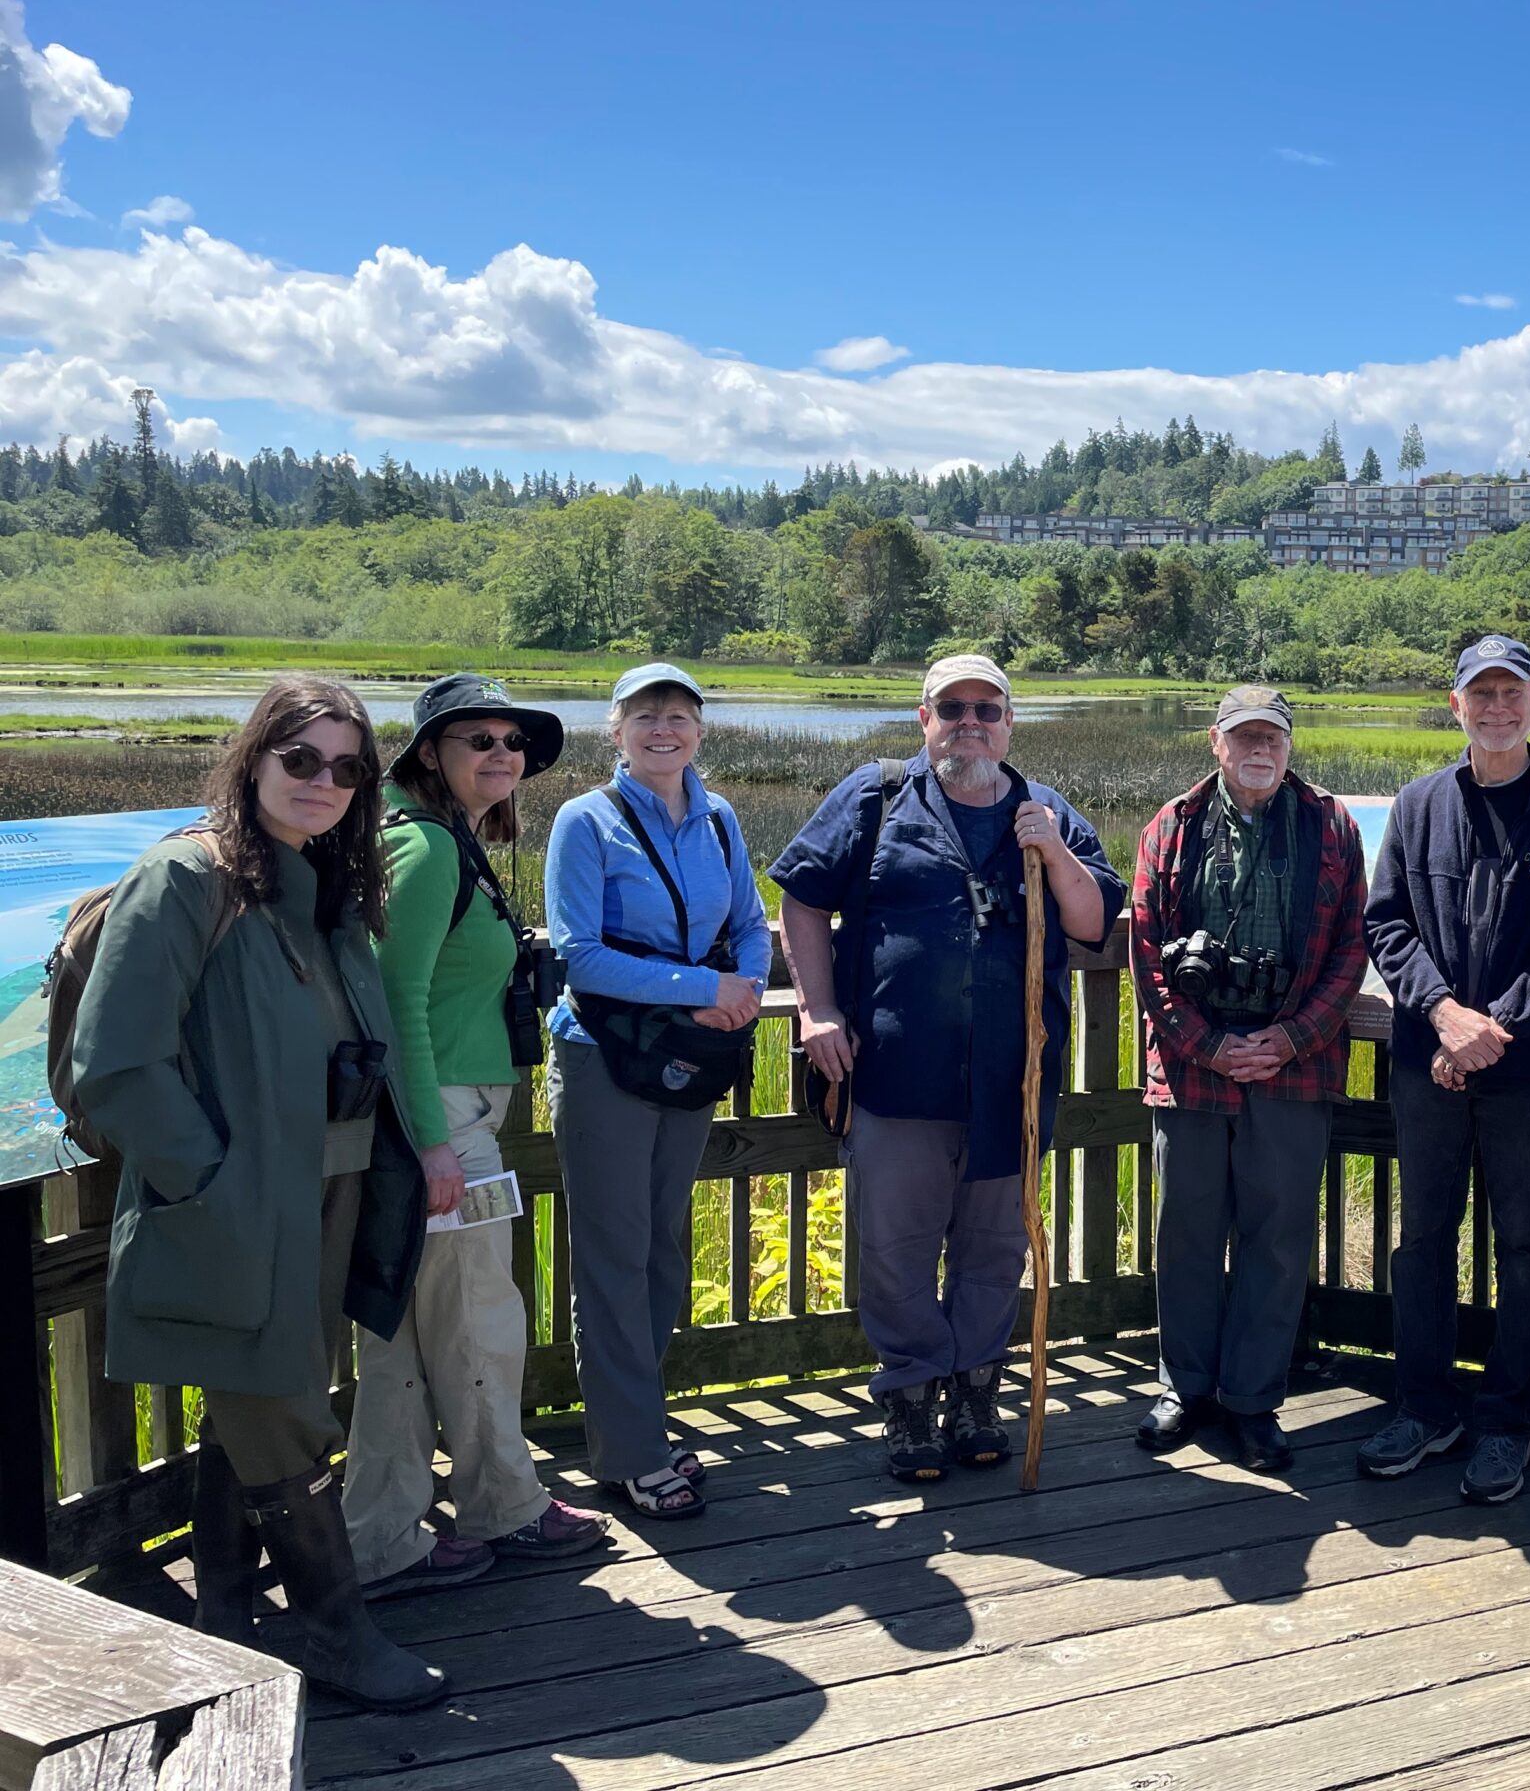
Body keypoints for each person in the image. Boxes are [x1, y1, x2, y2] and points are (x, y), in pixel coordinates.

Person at [71, 677, 445, 1709]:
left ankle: (226, 1620)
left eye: (346, 767)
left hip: (325, 1203)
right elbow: (116, 1065)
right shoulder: (185, 880)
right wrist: (213, 1182)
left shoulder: (323, 887)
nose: (323, 782)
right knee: (285, 1416)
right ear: (253, 761)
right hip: (241, 1209)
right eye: (301, 759)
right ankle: (334, 1631)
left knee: (258, 1404)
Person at [772, 654, 1124, 1484]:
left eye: (987, 709)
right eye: (952, 708)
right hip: (897, 1073)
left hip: (1015, 1079)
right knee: (894, 1247)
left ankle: (975, 1390)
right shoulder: (876, 794)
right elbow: (800, 897)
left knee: (994, 1248)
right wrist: (819, 1010)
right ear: (923, 717)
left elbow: (1093, 919)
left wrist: (1053, 851)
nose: (971, 723)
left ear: (1010, 723)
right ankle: (910, 1394)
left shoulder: (1048, 810)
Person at [344, 674, 607, 1595]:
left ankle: (383, 1537)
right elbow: (397, 1004)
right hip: (444, 1116)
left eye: (512, 741)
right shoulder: (423, 852)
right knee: (480, 1325)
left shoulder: (440, 840)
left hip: (439, 1114)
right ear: (429, 754)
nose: (502, 754)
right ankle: (506, 1508)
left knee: (408, 1335)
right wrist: (432, 1143)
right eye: (478, 739)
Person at [1359, 635, 1530, 1505]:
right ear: (1456, 703)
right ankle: (1425, 1407)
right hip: (1423, 1060)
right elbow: (1387, 926)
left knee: (1524, 1246)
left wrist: (1492, 1029)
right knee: (1422, 1240)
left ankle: (1509, 1419)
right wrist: (1442, 1014)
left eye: (1514, 693)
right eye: (1481, 693)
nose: (1497, 707)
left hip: (1528, 1067)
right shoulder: (1419, 802)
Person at [544, 662, 770, 1519]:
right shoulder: (585, 820)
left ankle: (634, 1427)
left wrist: (742, 992)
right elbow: (579, 955)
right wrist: (703, 991)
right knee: (613, 1257)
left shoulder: (717, 819)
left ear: (700, 730)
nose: (663, 729)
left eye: (679, 715)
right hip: (604, 1059)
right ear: (616, 730)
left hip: (688, 1056)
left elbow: (751, 922)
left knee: (663, 1251)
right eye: (646, 716)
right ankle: (632, 1454)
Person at [1127, 686, 1369, 1472]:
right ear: (1216, 743)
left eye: (1272, 736)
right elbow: (1146, 950)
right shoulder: (1172, 825)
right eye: (1244, 737)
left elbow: (1351, 950)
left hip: (1294, 1067)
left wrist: (1292, 1037)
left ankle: (1253, 1401)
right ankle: (1184, 1388)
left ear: (1290, 744)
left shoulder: (1332, 826)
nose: (1259, 749)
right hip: (1193, 1068)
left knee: (1276, 1239)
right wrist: (1206, 1045)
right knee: (1187, 1233)